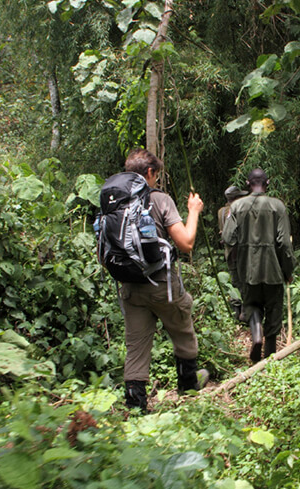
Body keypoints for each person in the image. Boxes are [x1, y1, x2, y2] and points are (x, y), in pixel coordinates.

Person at [116, 148, 208, 412]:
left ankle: (135, 407)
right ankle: (188, 388)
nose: (157, 180)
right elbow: (186, 242)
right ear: (149, 172)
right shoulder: (158, 199)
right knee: (182, 331)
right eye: (156, 175)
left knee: (136, 347)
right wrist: (193, 210)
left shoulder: (115, 201)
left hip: (130, 288)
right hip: (162, 286)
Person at [221, 168, 295, 363]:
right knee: (273, 310)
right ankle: (269, 359)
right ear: (267, 183)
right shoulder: (278, 206)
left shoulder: (236, 206)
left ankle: (255, 336)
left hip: (247, 270)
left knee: (252, 304)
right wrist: (288, 270)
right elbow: (284, 243)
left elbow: (228, 238)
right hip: (273, 270)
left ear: (247, 183)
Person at [217, 185, 249, 320]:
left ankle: (236, 312)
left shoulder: (221, 212)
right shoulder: (241, 210)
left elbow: (223, 232)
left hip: (229, 252)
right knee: (246, 281)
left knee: (235, 281)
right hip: (243, 251)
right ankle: (245, 313)